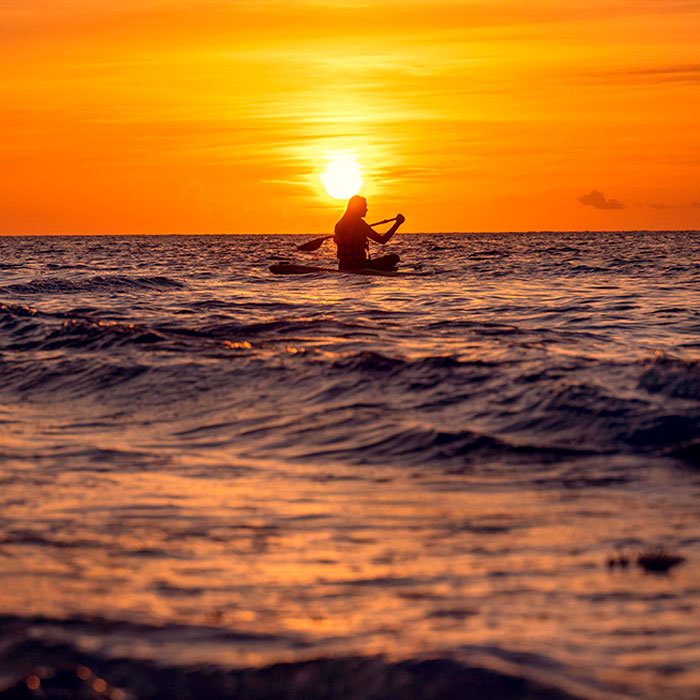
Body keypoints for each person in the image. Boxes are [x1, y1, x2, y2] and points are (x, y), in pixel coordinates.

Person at [334, 195, 405, 271]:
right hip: (360, 265)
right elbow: (382, 240)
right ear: (358, 208)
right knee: (395, 258)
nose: (366, 209)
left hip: (343, 266)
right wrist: (397, 224)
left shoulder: (339, 224)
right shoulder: (361, 225)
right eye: (364, 207)